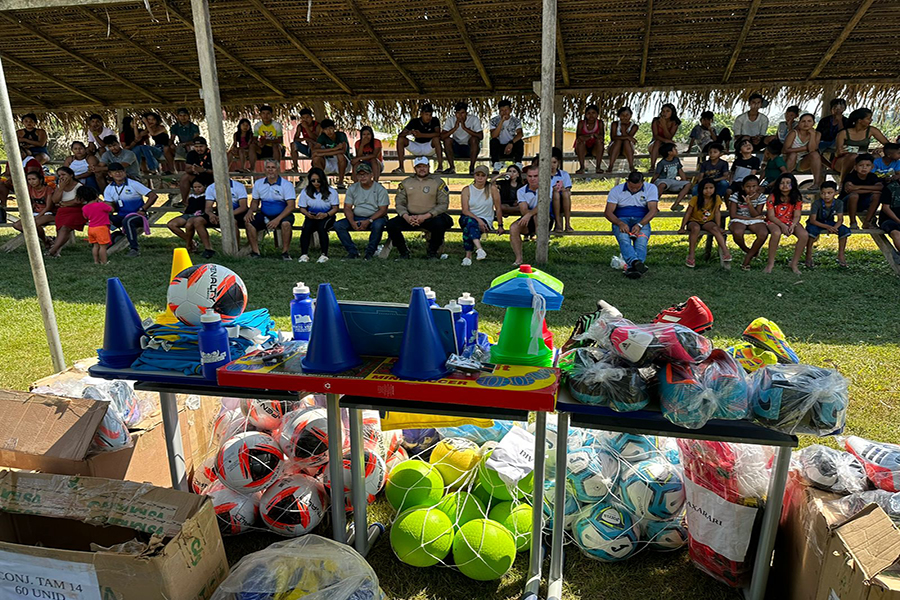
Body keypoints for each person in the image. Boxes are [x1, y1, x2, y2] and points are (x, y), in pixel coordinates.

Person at [386, 156, 452, 259]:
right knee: (391, 225)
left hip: (430, 216)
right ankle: (404, 252)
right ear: (414, 168)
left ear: (429, 167)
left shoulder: (438, 182)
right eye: (419, 166)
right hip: (411, 217)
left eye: (424, 166)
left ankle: (432, 252)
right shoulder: (406, 182)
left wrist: (426, 216)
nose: (422, 169)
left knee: (440, 223)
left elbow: (443, 204)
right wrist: (406, 217)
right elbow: (399, 203)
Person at [605, 171, 659, 278]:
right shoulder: (617, 190)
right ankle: (636, 263)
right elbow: (608, 212)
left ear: (643, 182)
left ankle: (632, 267)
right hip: (621, 219)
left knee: (641, 241)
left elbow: (653, 210)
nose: (634, 190)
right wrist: (619, 223)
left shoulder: (651, 188)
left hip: (642, 219)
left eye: (637, 187)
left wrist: (640, 225)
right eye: (631, 187)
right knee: (624, 239)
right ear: (627, 181)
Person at [334, 162, 389, 260]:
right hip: (357, 216)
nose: (363, 177)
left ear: (371, 175)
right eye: (360, 174)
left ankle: (370, 252)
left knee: (378, 225)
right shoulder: (352, 188)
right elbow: (347, 207)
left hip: (375, 217)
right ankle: (352, 252)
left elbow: (383, 210)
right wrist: (352, 222)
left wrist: (369, 220)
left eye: (365, 174)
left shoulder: (380, 189)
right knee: (338, 225)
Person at [104, 162, 158, 257]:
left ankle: (134, 249)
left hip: (138, 215)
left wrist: (143, 209)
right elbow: (110, 206)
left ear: (124, 172)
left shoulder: (133, 184)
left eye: (120, 171)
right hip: (121, 215)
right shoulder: (109, 188)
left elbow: (153, 196)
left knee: (128, 221)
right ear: (110, 174)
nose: (118, 174)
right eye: (115, 172)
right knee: (102, 218)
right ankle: (104, 243)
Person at [246, 159, 296, 260]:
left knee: (286, 224)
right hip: (265, 214)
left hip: (283, 214)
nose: (270, 170)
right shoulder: (259, 183)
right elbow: (255, 201)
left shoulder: (286, 185)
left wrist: (277, 219)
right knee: (249, 223)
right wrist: (250, 211)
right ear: (265, 169)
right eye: (268, 168)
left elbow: (291, 206)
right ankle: (256, 252)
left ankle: (285, 252)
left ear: (278, 169)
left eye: (273, 168)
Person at [678, 178, 731, 268]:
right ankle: (691, 255)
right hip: (693, 221)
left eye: (711, 188)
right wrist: (682, 227)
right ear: (701, 189)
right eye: (705, 188)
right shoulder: (695, 199)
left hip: (708, 221)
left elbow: (717, 213)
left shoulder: (716, 198)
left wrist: (718, 226)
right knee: (696, 228)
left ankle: (726, 252)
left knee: (715, 229)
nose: (708, 190)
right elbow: (688, 213)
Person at [509, 164, 554, 266]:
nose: (532, 179)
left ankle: (540, 257)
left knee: (537, 216)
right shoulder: (521, 191)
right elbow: (523, 210)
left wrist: (529, 214)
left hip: (545, 219)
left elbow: (543, 206)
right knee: (513, 228)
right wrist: (529, 215)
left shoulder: (547, 187)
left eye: (535, 176)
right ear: (526, 176)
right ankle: (519, 258)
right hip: (528, 219)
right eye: (530, 176)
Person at [194, 177, 249, 258]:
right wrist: (211, 215)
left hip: (236, 213)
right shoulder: (211, 187)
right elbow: (208, 207)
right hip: (219, 213)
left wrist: (227, 216)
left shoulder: (238, 186)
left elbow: (243, 207)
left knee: (233, 222)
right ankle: (208, 249)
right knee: (198, 221)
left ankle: (235, 249)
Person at [764, 173, 807, 274]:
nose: (785, 185)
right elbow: (771, 216)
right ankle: (770, 263)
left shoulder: (797, 197)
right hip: (774, 220)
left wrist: (792, 225)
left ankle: (794, 263)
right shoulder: (772, 196)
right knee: (776, 233)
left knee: (804, 235)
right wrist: (783, 226)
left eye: (788, 183)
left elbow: (797, 216)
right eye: (782, 183)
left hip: (791, 220)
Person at [460, 165, 502, 266]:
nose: (480, 178)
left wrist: (500, 225)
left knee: (469, 228)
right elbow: (465, 210)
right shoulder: (467, 189)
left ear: (486, 177)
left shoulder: (492, 189)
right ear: (474, 176)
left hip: (485, 219)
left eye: (483, 175)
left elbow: (498, 208)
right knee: (471, 222)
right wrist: (478, 220)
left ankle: (468, 256)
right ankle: (479, 249)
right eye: (477, 175)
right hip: (468, 217)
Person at [832, 108, 890, 180]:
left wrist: (881, 149)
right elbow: (837, 154)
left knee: (876, 157)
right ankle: (843, 182)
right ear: (859, 120)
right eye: (868, 118)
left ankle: (875, 181)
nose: (871, 120)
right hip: (844, 161)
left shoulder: (871, 130)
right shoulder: (843, 133)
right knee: (853, 156)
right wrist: (840, 152)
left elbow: (889, 146)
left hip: (863, 159)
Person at [297, 167, 340, 263]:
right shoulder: (305, 191)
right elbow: (302, 208)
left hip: (327, 216)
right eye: (313, 180)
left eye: (318, 180)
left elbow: (335, 208)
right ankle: (304, 254)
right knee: (306, 228)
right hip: (311, 216)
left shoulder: (331, 192)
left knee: (322, 228)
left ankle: (324, 254)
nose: (316, 183)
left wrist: (326, 214)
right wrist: (307, 214)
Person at [805, 181, 850, 268]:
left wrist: (834, 228)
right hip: (817, 222)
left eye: (829, 193)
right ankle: (808, 255)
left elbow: (840, 219)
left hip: (830, 222)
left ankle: (841, 255)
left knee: (844, 231)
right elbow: (813, 220)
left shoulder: (839, 203)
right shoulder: (816, 203)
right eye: (823, 193)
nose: (826, 196)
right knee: (811, 232)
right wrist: (828, 227)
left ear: (835, 193)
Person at [729, 174, 769, 271]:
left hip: (755, 219)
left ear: (758, 187)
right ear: (743, 187)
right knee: (738, 232)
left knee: (763, 233)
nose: (751, 189)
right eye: (748, 186)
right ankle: (748, 250)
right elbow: (733, 215)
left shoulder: (761, 197)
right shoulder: (736, 196)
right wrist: (747, 219)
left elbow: (756, 214)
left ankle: (748, 258)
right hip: (738, 219)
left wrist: (749, 204)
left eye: (754, 186)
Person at [46, 166, 85, 258]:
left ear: (71, 175)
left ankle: (52, 250)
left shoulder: (79, 186)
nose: (61, 177)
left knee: (65, 228)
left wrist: (63, 203)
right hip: (62, 211)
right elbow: (55, 200)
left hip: (76, 210)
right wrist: (61, 188)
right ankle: (56, 251)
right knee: (60, 229)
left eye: (64, 174)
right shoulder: (60, 186)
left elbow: (78, 201)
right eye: (59, 175)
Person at [168, 174, 212, 253]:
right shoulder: (191, 196)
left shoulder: (207, 196)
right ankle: (192, 242)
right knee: (171, 224)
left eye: (199, 187)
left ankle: (188, 246)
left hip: (199, 215)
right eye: (195, 187)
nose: (197, 189)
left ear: (204, 187)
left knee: (189, 225)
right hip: (188, 214)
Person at [394, 104, 442, 174]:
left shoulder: (435, 120)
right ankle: (401, 167)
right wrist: (410, 132)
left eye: (430, 115)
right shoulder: (414, 121)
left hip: (429, 147)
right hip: (417, 147)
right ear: (421, 114)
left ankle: (440, 167)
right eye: (426, 114)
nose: (428, 117)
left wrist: (421, 135)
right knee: (401, 140)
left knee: (436, 139)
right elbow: (401, 135)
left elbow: (438, 134)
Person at [13, 171, 55, 248]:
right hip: (36, 212)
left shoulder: (48, 189)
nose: (31, 181)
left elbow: (48, 207)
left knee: (33, 224)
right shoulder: (30, 189)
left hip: (48, 213)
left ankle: (45, 242)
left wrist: (38, 216)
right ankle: (46, 239)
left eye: (34, 179)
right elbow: (31, 203)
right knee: (17, 225)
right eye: (29, 179)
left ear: (40, 180)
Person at [841, 153, 882, 229]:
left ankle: (867, 222)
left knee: (877, 195)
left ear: (872, 167)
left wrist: (858, 187)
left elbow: (880, 187)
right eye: (861, 165)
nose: (864, 168)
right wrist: (871, 189)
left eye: (867, 165)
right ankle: (853, 222)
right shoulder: (850, 176)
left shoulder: (873, 176)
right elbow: (850, 189)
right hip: (846, 204)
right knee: (854, 195)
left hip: (863, 204)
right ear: (855, 167)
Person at [441, 102, 483, 175]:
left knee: (474, 139)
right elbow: (442, 137)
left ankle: (472, 167)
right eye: (458, 113)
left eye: (462, 113)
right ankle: (451, 167)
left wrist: (465, 128)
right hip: (456, 148)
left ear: (466, 113)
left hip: (470, 149)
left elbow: (480, 136)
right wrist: (454, 128)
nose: (460, 116)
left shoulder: (473, 119)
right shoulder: (451, 120)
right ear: (455, 113)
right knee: (447, 140)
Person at [782, 113, 823, 188]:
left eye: (809, 121)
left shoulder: (817, 134)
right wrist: (804, 148)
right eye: (803, 121)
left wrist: (812, 135)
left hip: (802, 162)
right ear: (799, 123)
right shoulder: (793, 133)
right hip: (788, 160)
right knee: (793, 154)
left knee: (815, 154)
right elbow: (784, 150)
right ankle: (785, 180)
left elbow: (812, 150)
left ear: (813, 123)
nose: (806, 123)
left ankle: (816, 183)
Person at [311, 118, 350, 188]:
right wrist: (336, 148)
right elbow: (314, 151)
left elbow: (342, 151)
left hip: (343, 164)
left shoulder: (341, 135)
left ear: (334, 128)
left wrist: (321, 153)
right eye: (326, 129)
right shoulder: (322, 137)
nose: (329, 131)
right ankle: (323, 182)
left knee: (340, 155)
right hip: (329, 163)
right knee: (316, 158)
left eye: (330, 128)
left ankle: (340, 182)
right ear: (323, 130)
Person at [651, 143, 689, 211]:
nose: (676, 150)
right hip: (663, 180)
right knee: (662, 185)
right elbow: (657, 174)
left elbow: (680, 170)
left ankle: (676, 204)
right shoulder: (661, 163)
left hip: (673, 181)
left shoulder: (676, 160)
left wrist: (684, 180)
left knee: (688, 184)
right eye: (674, 149)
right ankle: (654, 205)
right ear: (669, 152)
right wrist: (651, 184)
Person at [489, 99, 524, 172]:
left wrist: (511, 143)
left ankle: (518, 164)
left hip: (512, 146)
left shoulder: (516, 120)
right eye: (502, 110)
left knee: (520, 142)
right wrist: (501, 122)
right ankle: (496, 164)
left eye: (506, 110)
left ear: (510, 110)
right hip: (500, 148)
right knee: (493, 141)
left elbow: (520, 134)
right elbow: (494, 135)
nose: (504, 112)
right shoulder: (493, 120)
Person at [81, 186, 112, 265]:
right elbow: (110, 209)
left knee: (95, 246)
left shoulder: (84, 208)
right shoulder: (101, 205)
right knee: (103, 247)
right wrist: (103, 202)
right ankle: (104, 261)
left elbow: (85, 217)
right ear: (96, 196)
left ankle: (96, 261)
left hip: (91, 228)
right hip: (101, 228)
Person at [179, 137, 213, 205]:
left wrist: (204, 170)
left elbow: (218, 172)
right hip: (196, 176)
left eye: (201, 146)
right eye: (196, 146)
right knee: (185, 177)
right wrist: (193, 169)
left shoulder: (212, 154)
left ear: (206, 146)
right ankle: (184, 201)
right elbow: (187, 169)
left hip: (210, 177)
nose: (199, 149)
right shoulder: (191, 154)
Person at [606, 107, 639, 173]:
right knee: (618, 141)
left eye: (627, 115)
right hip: (614, 147)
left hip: (627, 149)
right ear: (619, 116)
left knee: (626, 141)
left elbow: (629, 138)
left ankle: (631, 166)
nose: (625, 117)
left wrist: (624, 132)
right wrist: (627, 137)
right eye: (622, 115)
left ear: (631, 116)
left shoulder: (634, 126)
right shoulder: (615, 124)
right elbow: (613, 137)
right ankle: (610, 166)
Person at [573, 104, 605, 174]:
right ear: (585, 115)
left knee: (599, 142)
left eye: (593, 113)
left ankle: (598, 167)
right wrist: (592, 136)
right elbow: (579, 138)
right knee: (581, 142)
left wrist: (587, 137)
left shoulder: (600, 123)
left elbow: (601, 137)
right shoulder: (581, 123)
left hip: (595, 148)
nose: (591, 115)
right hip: (582, 149)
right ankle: (582, 167)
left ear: (597, 114)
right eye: (588, 113)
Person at [649, 103, 681, 171]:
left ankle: (674, 168)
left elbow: (669, 137)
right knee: (658, 142)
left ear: (672, 112)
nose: (665, 113)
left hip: (666, 144)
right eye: (663, 111)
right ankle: (652, 166)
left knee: (673, 150)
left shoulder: (675, 122)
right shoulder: (656, 121)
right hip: (655, 144)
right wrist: (665, 140)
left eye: (667, 111)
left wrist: (664, 126)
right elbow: (656, 136)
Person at [549, 147, 574, 233]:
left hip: (563, 200)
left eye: (554, 162)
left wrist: (562, 188)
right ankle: (558, 223)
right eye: (550, 162)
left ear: (558, 162)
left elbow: (568, 188)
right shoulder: (543, 175)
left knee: (565, 193)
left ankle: (567, 223)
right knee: (555, 193)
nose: (552, 165)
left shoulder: (564, 174)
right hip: (550, 200)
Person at [290, 108, 321, 172]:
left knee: (311, 144)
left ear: (311, 118)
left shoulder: (317, 126)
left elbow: (316, 139)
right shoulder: (300, 126)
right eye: (303, 118)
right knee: (293, 144)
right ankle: (295, 167)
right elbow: (295, 139)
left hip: (317, 149)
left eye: (307, 117)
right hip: (307, 149)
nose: (305, 120)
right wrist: (305, 139)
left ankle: (315, 166)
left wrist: (306, 128)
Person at [877, 178, 900, 257]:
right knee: (896, 233)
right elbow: (886, 208)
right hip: (889, 220)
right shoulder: (891, 187)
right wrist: (898, 220)